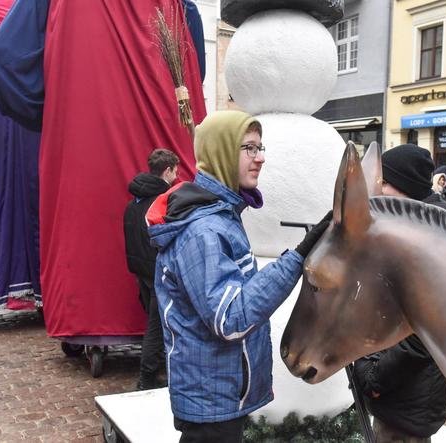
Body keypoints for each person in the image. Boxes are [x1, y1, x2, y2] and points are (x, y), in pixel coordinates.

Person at [147, 111, 331, 442]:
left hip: (222, 398)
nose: (260, 158)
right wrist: (297, 257)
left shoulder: (222, 216)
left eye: (261, 147)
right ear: (221, 152)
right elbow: (230, 318)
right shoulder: (203, 230)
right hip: (211, 405)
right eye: (249, 148)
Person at [354, 143, 446, 443]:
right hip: (404, 388)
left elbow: (426, 327)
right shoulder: (411, 222)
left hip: (411, 392)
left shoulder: (434, 235)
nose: (378, 188)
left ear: (404, 186)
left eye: (384, 181)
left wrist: (377, 376)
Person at [124, 148, 180, 390]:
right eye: (175, 171)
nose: (177, 176)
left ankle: (157, 371)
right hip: (157, 271)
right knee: (157, 327)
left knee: (154, 322)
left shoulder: (132, 203)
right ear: (167, 171)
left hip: (141, 271)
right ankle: (146, 379)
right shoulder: (162, 202)